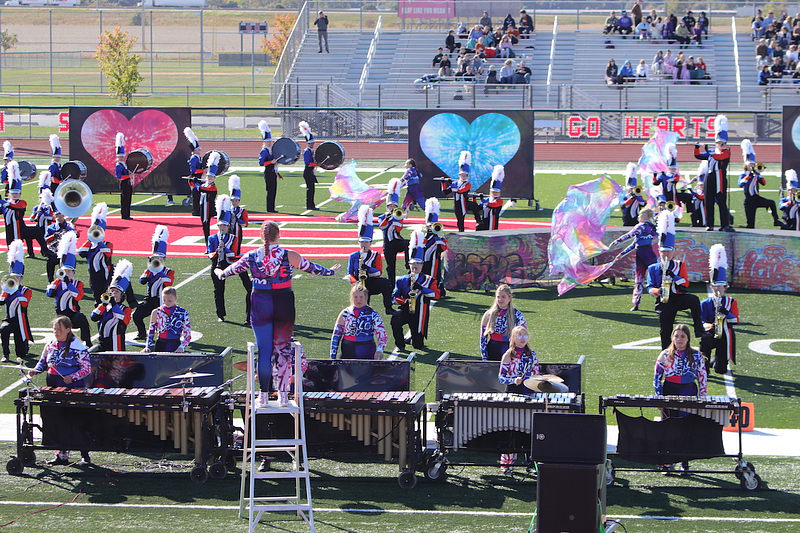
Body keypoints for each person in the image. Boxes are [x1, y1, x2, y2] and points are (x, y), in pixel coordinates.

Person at [216, 220, 341, 407]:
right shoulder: (288, 255)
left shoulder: (252, 255)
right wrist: (330, 272)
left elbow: (229, 271)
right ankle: (283, 395)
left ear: (261, 236)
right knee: (283, 351)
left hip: (260, 303)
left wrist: (219, 272)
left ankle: (263, 396)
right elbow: (311, 267)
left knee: (264, 352)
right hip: (284, 302)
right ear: (279, 235)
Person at [29, 316, 92, 466]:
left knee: (75, 419)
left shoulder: (78, 347)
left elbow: (86, 368)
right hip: (53, 385)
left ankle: (84, 454)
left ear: (68, 329)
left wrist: (72, 377)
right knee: (57, 420)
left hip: (73, 387)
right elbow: (43, 363)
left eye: (59, 329)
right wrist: (35, 371)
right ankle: (61, 455)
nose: (56, 332)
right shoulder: (50, 344)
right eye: (54, 329)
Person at [653, 323, 708, 473]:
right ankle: (667, 462)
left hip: (688, 391)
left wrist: (702, 398)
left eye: (682, 336)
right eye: (676, 336)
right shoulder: (665, 354)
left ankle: (685, 461)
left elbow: (702, 377)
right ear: (672, 337)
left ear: (688, 338)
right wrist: (659, 398)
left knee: (686, 428)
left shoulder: (696, 355)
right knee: (668, 428)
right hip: (669, 391)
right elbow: (657, 377)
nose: (679, 339)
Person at [646, 212, 704, 349]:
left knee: (694, 300)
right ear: (659, 252)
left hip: (678, 297)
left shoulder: (679, 265)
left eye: (668, 251)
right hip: (664, 301)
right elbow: (649, 287)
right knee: (665, 329)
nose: (665, 254)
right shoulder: (653, 268)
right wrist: (658, 291)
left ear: (673, 252)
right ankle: (666, 353)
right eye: (663, 251)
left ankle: (698, 329)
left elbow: (686, 283)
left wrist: (674, 276)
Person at [497, 324, 540, 474]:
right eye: (519, 335)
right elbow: (501, 378)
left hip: (528, 393)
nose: (523, 338)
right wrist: (513, 380)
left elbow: (536, 372)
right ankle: (507, 463)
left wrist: (534, 380)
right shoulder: (508, 355)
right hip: (512, 393)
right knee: (510, 429)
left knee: (530, 429)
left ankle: (531, 463)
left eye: (525, 335)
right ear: (513, 338)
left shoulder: (532, 354)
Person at [390, 231, 440, 351]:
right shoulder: (401, 280)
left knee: (418, 345)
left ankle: (413, 338)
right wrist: (404, 302)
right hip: (405, 309)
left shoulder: (429, 280)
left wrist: (421, 288)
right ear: (409, 264)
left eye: (418, 263)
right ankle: (400, 344)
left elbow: (436, 295)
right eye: (413, 264)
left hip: (420, 312)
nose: (415, 266)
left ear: (422, 265)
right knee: (395, 320)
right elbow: (394, 298)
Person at [45, 231, 93, 348]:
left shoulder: (78, 284)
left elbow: (78, 296)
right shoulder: (57, 283)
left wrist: (68, 282)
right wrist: (58, 280)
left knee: (81, 318)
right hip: (60, 316)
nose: (67, 273)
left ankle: (87, 342)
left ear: (73, 272)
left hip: (73, 315)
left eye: (69, 271)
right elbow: (49, 293)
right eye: (65, 271)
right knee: (60, 325)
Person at [208, 195, 248, 323]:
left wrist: (224, 248)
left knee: (248, 285)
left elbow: (234, 254)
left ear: (228, 226)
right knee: (218, 290)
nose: (223, 228)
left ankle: (249, 316)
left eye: (225, 225)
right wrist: (217, 251)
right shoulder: (212, 238)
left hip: (231, 262)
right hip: (217, 263)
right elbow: (209, 255)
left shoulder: (233, 238)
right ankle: (220, 314)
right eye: (220, 225)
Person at [699, 245, 739, 374]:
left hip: (724, 335)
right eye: (715, 287)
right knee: (705, 344)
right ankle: (704, 366)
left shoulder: (731, 302)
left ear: (725, 288)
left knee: (721, 370)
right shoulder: (705, 303)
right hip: (709, 334)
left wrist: (726, 312)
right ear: (711, 287)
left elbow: (736, 320)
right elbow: (701, 321)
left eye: (720, 287)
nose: (717, 289)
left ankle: (717, 361)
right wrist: (710, 326)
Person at [348, 206, 393, 315]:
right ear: (359, 242)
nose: (364, 244)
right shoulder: (353, 256)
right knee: (361, 294)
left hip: (371, 281)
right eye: (362, 242)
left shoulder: (375, 255)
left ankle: (388, 307)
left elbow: (378, 272)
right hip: (359, 283)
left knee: (386, 283)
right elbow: (349, 273)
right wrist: (356, 283)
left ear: (370, 243)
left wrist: (368, 268)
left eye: (366, 242)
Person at [132, 226, 175, 339]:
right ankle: (142, 333)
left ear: (164, 259)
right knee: (136, 315)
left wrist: (160, 271)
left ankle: (164, 336)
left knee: (162, 321)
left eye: (160, 259)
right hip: (149, 300)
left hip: (162, 301)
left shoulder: (168, 272)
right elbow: (141, 281)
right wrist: (149, 270)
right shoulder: (149, 270)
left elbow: (169, 283)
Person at [612, 208, 658, 312]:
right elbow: (635, 244)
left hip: (643, 255)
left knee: (640, 280)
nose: (638, 217)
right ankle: (658, 301)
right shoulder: (651, 227)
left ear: (645, 215)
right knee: (655, 279)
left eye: (640, 215)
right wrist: (622, 254)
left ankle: (637, 303)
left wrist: (616, 242)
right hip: (647, 255)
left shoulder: (641, 226)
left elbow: (629, 235)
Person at [694, 115, 734, 232]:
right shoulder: (711, 151)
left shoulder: (726, 152)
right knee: (708, 201)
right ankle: (709, 224)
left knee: (721, 202)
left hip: (720, 178)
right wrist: (697, 148)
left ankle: (724, 224)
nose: (721, 145)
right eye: (719, 143)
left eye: (723, 143)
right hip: (710, 177)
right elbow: (698, 156)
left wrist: (707, 150)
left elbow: (718, 156)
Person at [330, 283, 387, 360]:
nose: (358, 300)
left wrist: (380, 350)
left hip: (367, 350)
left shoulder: (373, 314)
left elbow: (382, 335)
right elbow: (336, 336)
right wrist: (333, 356)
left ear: (366, 297)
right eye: (356, 297)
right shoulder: (345, 313)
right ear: (352, 297)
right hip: (348, 350)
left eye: (361, 297)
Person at [90, 259, 133, 352]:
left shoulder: (126, 309)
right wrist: (103, 304)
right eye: (112, 290)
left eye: (116, 291)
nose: (113, 293)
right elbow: (93, 317)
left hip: (116, 342)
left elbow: (124, 320)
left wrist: (113, 304)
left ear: (122, 295)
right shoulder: (103, 307)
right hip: (102, 340)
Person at [0, 240, 32, 363]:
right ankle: (6, 354)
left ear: (21, 278)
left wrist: (15, 290)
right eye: (13, 277)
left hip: (21, 321)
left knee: (22, 353)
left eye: (18, 277)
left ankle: (22, 350)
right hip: (9, 319)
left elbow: (24, 303)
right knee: (4, 329)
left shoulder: (26, 291)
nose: (15, 279)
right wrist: (5, 289)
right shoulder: (7, 290)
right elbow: (1, 302)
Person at [739, 140, 781, 228]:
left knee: (771, 203)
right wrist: (749, 176)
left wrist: (758, 175)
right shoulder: (743, 175)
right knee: (750, 224)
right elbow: (740, 184)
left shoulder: (757, 175)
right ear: (746, 166)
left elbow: (764, 183)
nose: (752, 166)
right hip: (748, 200)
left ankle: (776, 220)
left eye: (753, 164)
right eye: (750, 164)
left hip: (756, 198)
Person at [77, 203, 113, 305]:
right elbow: (81, 252)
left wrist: (99, 241)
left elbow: (108, 253)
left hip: (104, 273)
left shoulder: (107, 244)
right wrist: (90, 239)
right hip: (93, 274)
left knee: (105, 295)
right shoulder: (89, 245)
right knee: (96, 295)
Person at [480, 284, 526, 361]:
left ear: (509, 298)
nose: (500, 299)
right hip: (493, 349)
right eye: (498, 297)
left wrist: (519, 354)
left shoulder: (518, 315)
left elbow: (523, 337)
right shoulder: (488, 314)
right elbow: (483, 338)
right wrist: (484, 357)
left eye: (503, 297)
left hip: (510, 350)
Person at [378, 179, 409, 288]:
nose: (392, 208)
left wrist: (395, 218)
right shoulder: (382, 217)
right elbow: (381, 226)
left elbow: (399, 228)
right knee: (390, 266)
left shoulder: (399, 216)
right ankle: (391, 285)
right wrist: (387, 219)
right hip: (388, 244)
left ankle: (408, 264)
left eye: (394, 206)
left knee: (408, 243)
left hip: (397, 241)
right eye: (390, 206)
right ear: (387, 207)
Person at [440, 151, 482, 232]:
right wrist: (443, 182)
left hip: (465, 203)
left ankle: (479, 221)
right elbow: (445, 192)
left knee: (474, 205)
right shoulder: (455, 183)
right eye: (462, 175)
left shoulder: (468, 184)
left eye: (465, 176)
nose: (463, 177)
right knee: (460, 220)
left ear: (467, 176)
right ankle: (461, 231)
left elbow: (460, 191)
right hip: (457, 204)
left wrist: (451, 184)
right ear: (459, 175)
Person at [143, 287, 192, 353]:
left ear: (175, 298)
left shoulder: (182, 312)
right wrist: (147, 346)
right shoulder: (156, 312)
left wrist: (182, 347)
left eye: (169, 301)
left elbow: (187, 333)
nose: (166, 302)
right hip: (160, 344)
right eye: (164, 300)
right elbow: (151, 331)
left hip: (175, 345)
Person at [421, 198, 448, 296]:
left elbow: (443, 248)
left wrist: (436, 237)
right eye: (429, 226)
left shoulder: (440, 239)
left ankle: (435, 290)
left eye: (433, 225)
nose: (431, 227)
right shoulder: (422, 237)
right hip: (423, 262)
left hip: (434, 263)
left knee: (434, 277)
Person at [0, 164, 29, 246]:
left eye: (16, 193)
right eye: (13, 194)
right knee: (9, 244)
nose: (15, 195)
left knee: (17, 245)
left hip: (18, 228)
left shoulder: (22, 202)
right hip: (8, 227)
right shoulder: (6, 204)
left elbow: (14, 206)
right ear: (9, 194)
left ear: (20, 194)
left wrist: (1, 201)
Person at [44, 210, 76, 283]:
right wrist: (53, 236)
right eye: (57, 214)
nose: (59, 216)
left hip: (65, 252)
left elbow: (76, 234)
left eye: (60, 214)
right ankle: (50, 281)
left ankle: (66, 281)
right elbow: (45, 240)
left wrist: (66, 230)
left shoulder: (69, 226)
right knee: (50, 263)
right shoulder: (51, 227)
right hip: (54, 251)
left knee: (66, 268)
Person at [258, 120, 279, 213]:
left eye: (269, 141)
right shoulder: (264, 151)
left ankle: (272, 207)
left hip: (272, 171)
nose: (269, 143)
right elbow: (261, 163)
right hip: (268, 172)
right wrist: (271, 162)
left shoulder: (270, 150)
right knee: (270, 190)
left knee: (273, 190)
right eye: (267, 142)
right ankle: (270, 208)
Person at [476, 166, 506, 230]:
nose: (495, 193)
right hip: (484, 220)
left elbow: (492, 205)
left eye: (496, 192)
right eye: (493, 192)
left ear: (499, 193)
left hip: (492, 221)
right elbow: (478, 207)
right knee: (479, 227)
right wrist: (474, 198)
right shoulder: (487, 199)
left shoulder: (499, 201)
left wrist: (482, 199)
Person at [198, 151, 219, 243]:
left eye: (211, 177)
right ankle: (207, 242)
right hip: (203, 208)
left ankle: (209, 242)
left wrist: (196, 184)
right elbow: (195, 188)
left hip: (209, 209)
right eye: (208, 176)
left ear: (214, 178)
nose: (209, 178)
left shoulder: (213, 187)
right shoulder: (205, 185)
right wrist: (191, 180)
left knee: (207, 225)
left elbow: (201, 189)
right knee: (204, 227)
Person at [28, 185, 53, 259]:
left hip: (47, 227)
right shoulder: (36, 207)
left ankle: (44, 251)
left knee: (44, 240)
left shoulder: (50, 207)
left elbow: (51, 218)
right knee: (28, 236)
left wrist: (44, 212)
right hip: (38, 227)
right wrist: (36, 213)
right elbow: (31, 219)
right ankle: (30, 253)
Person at [183, 127, 204, 216]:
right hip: (194, 179)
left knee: (199, 195)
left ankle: (198, 210)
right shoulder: (194, 158)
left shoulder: (197, 157)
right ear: (195, 150)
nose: (200, 151)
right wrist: (203, 170)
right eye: (198, 149)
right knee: (196, 196)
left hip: (198, 179)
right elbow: (193, 170)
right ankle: (195, 211)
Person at [115, 132, 132, 220]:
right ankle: (124, 215)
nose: (121, 158)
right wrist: (129, 176)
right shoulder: (118, 165)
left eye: (122, 156)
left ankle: (127, 214)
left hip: (128, 183)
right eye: (120, 156)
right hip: (124, 183)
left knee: (128, 199)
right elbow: (119, 176)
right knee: (125, 199)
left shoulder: (123, 164)